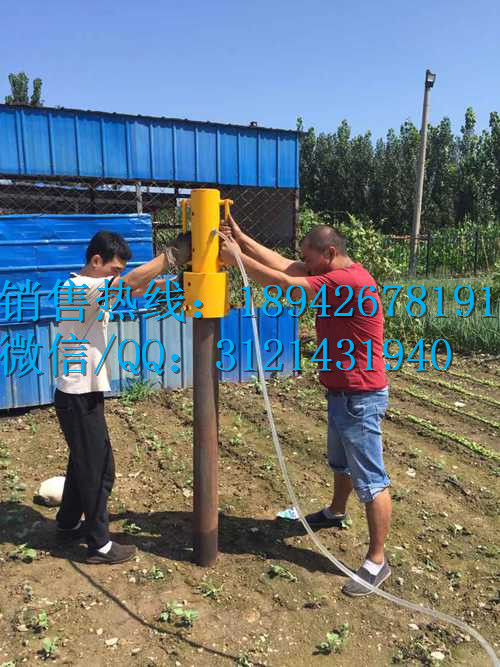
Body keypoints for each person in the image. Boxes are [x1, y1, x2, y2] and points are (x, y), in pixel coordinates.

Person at [220, 219, 391, 596]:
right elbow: (284, 265)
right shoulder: (332, 272)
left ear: (330, 253)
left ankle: (377, 561)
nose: (305, 264)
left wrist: (236, 260)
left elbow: (288, 283)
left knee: (371, 480)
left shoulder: (347, 282)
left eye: (310, 259)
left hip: (359, 396)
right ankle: (335, 512)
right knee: (341, 462)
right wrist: (242, 237)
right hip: (342, 392)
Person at [53, 230, 178, 564]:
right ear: (96, 261)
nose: (117, 276)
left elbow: (139, 287)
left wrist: (180, 282)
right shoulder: (78, 289)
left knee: (84, 462)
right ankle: (99, 545)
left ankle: (66, 523)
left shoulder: (93, 288)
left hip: (81, 394)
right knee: (99, 469)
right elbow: (129, 284)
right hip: (78, 395)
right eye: (113, 269)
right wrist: (171, 256)